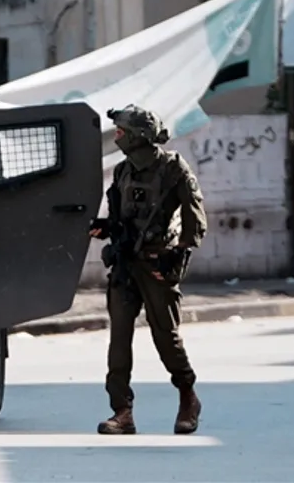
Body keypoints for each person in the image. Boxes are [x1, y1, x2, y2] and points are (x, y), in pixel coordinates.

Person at [89, 105, 207, 435]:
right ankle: (122, 412)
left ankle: (188, 396)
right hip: (126, 266)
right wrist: (105, 227)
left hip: (157, 265)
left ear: (140, 135)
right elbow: (119, 218)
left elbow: (196, 221)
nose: (117, 136)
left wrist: (177, 259)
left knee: (166, 338)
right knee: (119, 340)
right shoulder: (124, 171)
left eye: (122, 131)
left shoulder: (172, 169)